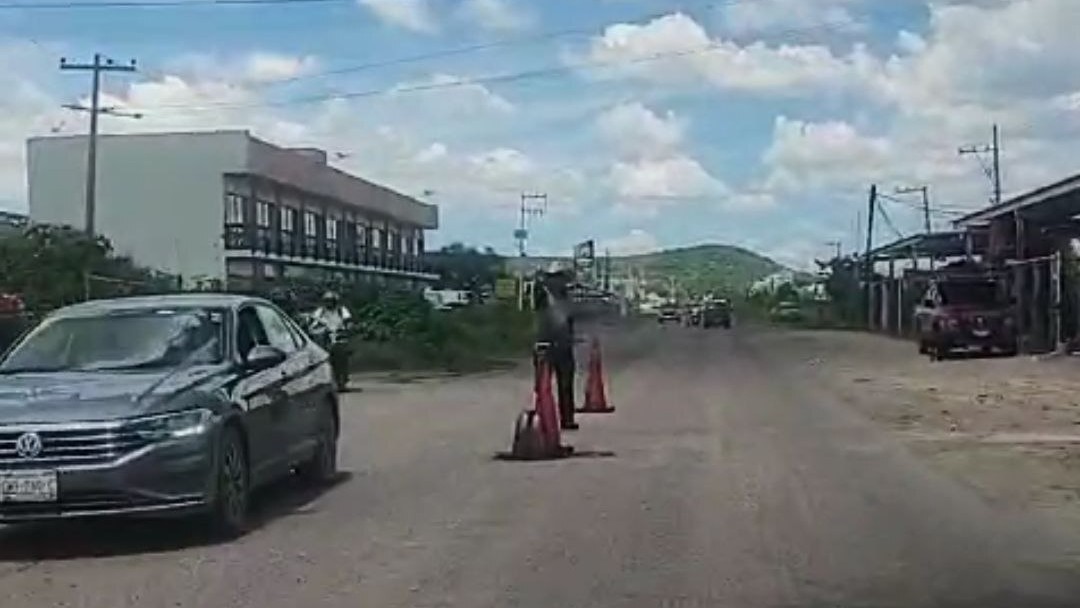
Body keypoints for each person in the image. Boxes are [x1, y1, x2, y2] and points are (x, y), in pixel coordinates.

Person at [534, 262, 578, 430]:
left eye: (560, 278)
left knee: (566, 385)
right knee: (543, 385)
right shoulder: (543, 295)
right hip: (545, 344)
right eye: (554, 278)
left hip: (563, 345)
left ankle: (567, 418)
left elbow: (570, 320)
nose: (558, 282)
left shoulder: (566, 297)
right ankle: (543, 417)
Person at [311, 291, 353, 389]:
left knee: (342, 357)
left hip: (339, 336)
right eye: (327, 301)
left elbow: (348, 320)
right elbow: (313, 323)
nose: (328, 303)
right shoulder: (320, 311)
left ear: (335, 301)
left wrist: (348, 327)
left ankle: (342, 380)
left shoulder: (341, 310)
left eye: (331, 301)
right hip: (324, 338)